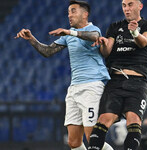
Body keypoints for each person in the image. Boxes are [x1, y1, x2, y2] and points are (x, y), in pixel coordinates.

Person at [15, 1, 113, 150]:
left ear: (85, 14)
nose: (69, 15)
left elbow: (95, 36)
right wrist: (31, 39)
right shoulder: (68, 35)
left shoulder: (92, 29)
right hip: (74, 88)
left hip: (92, 86)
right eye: (68, 12)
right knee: (73, 142)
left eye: (73, 11)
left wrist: (70, 32)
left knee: (92, 137)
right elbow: (48, 51)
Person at [88, 0, 147, 150]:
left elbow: (144, 41)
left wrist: (134, 32)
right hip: (115, 81)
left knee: (133, 121)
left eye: (130, 4)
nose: (126, 9)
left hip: (137, 82)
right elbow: (106, 52)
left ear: (140, 6)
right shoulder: (115, 27)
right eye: (124, 5)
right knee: (103, 120)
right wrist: (102, 43)